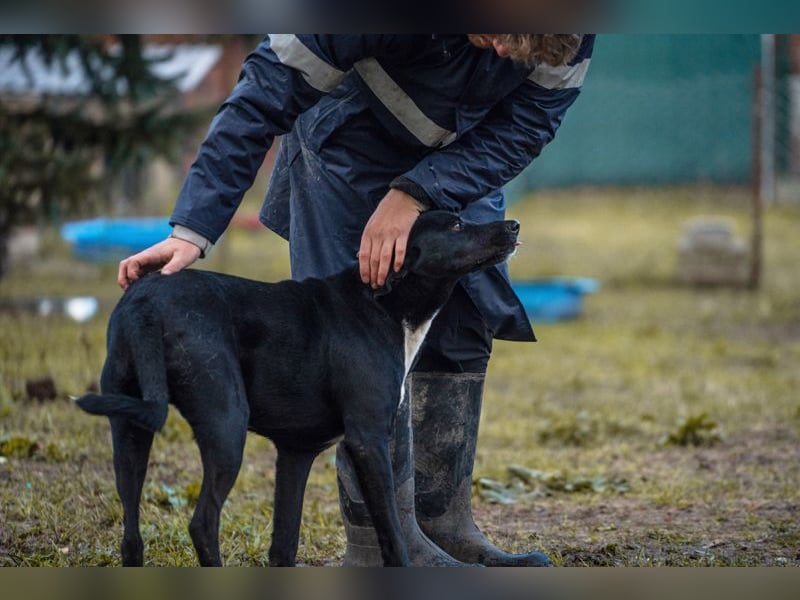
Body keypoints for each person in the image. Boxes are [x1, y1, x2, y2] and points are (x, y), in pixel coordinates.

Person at [118, 34, 594, 566]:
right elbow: (267, 88)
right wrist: (193, 227)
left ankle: (444, 525)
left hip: (463, 154)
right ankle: (380, 542)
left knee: (465, 309)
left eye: (528, 46)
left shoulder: (566, 29)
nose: (507, 54)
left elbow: (527, 124)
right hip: (347, 138)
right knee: (351, 335)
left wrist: (418, 191)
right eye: (502, 34)